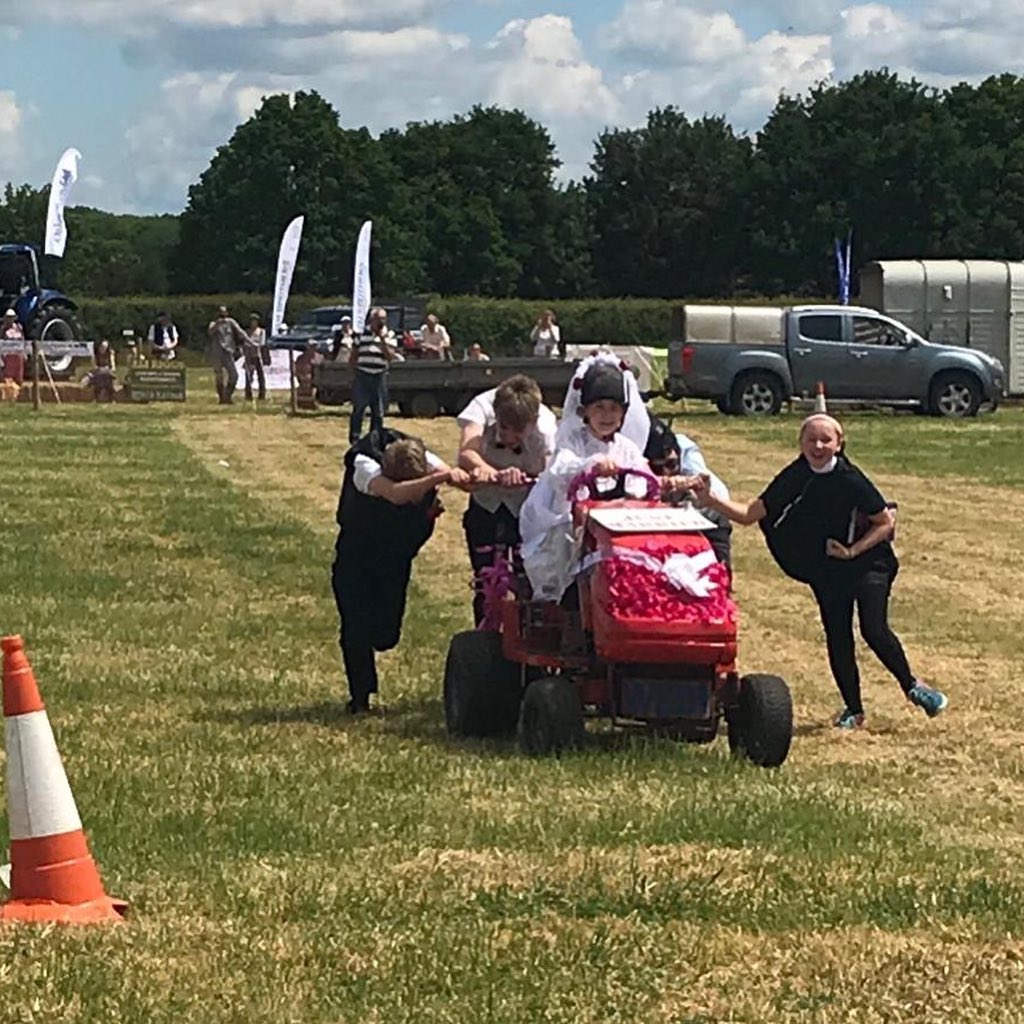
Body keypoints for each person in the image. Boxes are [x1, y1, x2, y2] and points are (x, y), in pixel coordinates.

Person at [692, 413, 948, 729]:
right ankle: (854, 711)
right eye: (811, 439)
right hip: (829, 569)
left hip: (870, 563)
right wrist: (710, 499)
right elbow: (748, 514)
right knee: (838, 635)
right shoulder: (795, 476)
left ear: (839, 444)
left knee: (874, 628)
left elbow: (884, 522)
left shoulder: (850, 478)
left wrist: (853, 551)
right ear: (800, 443)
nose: (818, 446)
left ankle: (913, 687)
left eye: (826, 440)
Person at [332, 427, 469, 713]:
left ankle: (373, 646)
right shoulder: (365, 466)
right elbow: (395, 495)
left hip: (395, 558)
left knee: (386, 635)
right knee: (355, 626)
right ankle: (361, 698)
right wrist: (439, 479)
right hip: (356, 555)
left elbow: (458, 478)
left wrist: (480, 477)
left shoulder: (422, 458)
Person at [519, 356, 650, 602]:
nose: (607, 415)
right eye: (599, 407)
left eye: (614, 409)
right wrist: (591, 465)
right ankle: (559, 598)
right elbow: (561, 471)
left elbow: (642, 480)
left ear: (623, 413)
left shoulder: (627, 448)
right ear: (585, 411)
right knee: (564, 539)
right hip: (575, 519)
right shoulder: (573, 441)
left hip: (617, 520)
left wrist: (639, 489)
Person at [457, 376, 558, 624]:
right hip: (487, 502)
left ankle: (528, 630)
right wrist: (493, 473)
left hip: (525, 508)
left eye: (519, 431)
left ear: (533, 422)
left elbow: (550, 475)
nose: (510, 437)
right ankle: (485, 630)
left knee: (529, 576)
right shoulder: (480, 407)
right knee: (485, 579)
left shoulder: (547, 430)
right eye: (504, 428)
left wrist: (529, 477)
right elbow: (467, 452)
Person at [644, 412, 733, 567]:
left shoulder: (689, 461)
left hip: (704, 526)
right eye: (657, 468)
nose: (666, 473)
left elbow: (720, 499)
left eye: (671, 465)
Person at [348, 306, 395, 443]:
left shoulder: (389, 334)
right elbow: (354, 355)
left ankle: (374, 438)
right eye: (378, 319)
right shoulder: (361, 334)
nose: (381, 322)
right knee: (359, 408)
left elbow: (390, 356)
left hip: (379, 376)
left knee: (378, 411)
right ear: (371, 320)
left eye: (383, 319)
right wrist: (352, 373)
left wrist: (382, 339)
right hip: (362, 375)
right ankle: (355, 438)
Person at [207, 305, 248, 405]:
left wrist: (250, 342)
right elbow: (210, 332)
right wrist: (218, 324)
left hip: (228, 352)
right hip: (217, 353)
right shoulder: (213, 324)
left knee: (234, 375)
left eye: (224, 314)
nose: (223, 317)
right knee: (219, 376)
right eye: (220, 314)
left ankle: (228, 395)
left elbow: (241, 332)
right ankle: (222, 398)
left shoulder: (231, 322)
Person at [242, 313, 268, 401]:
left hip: (258, 356)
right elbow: (244, 343)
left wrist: (253, 344)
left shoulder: (261, 331)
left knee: (261, 375)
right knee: (249, 375)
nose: (253, 323)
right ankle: (248, 394)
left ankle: (262, 394)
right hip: (249, 356)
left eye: (255, 321)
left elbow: (262, 343)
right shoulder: (247, 332)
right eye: (252, 321)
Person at [1, 309, 24, 383]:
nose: (10, 319)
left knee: (18, 377)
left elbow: (22, 340)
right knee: (7, 377)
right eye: (8, 317)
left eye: (11, 317)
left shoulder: (18, 328)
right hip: (8, 356)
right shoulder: (3, 330)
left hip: (18, 355)